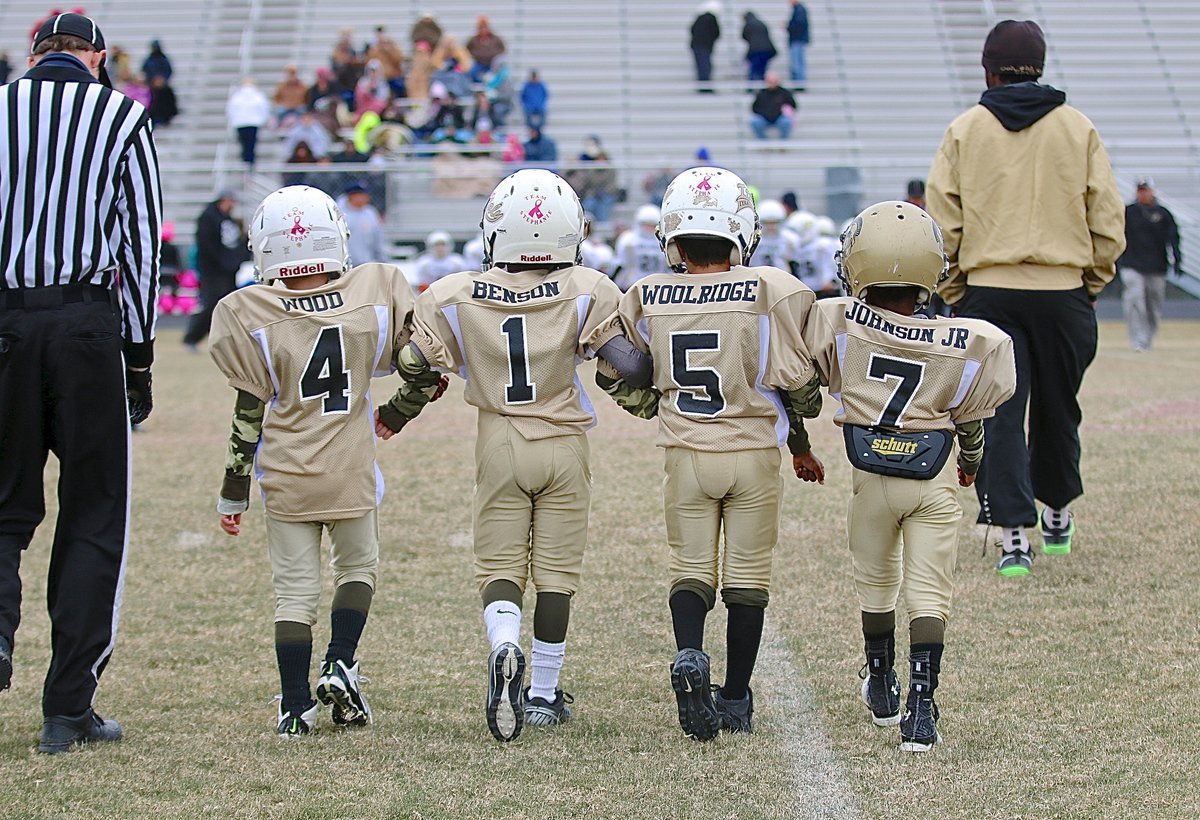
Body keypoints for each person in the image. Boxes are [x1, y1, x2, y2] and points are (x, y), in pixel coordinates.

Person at [373, 169, 645, 742]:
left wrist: (397, 411)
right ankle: (543, 693)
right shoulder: (590, 288)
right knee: (556, 576)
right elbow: (629, 364)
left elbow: (415, 363)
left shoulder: (454, 292)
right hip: (564, 441)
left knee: (500, 569)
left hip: (498, 439)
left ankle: (503, 647)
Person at [598, 167, 822, 740]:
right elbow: (799, 388)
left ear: (672, 235)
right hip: (752, 453)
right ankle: (738, 696)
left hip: (687, 451)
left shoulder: (648, 294)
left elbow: (613, 367)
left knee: (690, 569)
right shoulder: (774, 288)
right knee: (748, 577)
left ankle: (691, 655)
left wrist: (655, 405)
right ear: (740, 230)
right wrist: (800, 440)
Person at [208, 186, 431, 736]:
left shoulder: (248, 312)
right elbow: (424, 367)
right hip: (350, 464)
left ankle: (292, 708)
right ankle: (340, 662)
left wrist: (234, 491)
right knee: (357, 569)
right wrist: (397, 412)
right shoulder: (373, 293)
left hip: (286, 473)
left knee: (294, 593)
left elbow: (246, 419)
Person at [0, 11, 161, 754]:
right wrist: (138, 355)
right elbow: (139, 241)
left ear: (34, 57)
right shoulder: (120, 118)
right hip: (85, 327)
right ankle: (67, 709)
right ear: (97, 57)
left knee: (2, 507)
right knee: (93, 514)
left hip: (3, 323)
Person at [802, 201, 1016, 752]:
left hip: (870, 474)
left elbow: (804, 385)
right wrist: (970, 464)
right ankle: (922, 709)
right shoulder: (969, 340)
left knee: (876, 584)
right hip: (935, 475)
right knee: (929, 592)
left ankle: (880, 683)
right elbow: (970, 424)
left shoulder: (836, 320)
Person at [925, 19, 1125, 575]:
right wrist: (1091, 280)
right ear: (1041, 65)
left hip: (989, 293)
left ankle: (1014, 536)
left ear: (986, 69)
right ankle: (1057, 511)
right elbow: (1107, 216)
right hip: (1062, 291)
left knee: (999, 414)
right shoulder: (1077, 127)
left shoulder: (965, 129)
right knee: (1061, 409)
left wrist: (955, 289)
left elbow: (943, 221)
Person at [1118, 177, 1181, 352]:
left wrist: (1177, 259)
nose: (1143, 194)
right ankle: (1137, 339)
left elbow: (1173, 238)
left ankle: (1147, 338)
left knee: (1153, 305)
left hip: (1157, 266)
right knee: (1135, 300)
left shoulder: (1163, 214)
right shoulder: (1128, 213)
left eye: (1145, 190)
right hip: (1132, 264)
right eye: (1140, 190)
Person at [183, 190, 250, 350]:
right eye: (230, 201)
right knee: (214, 304)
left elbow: (233, 243)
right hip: (213, 271)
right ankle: (192, 337)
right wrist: (224, 262)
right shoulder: (209, 219)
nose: (232, 205)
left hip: (227, 271)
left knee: (232, 306)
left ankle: (233, 342)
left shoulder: (228, 219)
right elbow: (208, 246)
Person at [566, 136, 618, 224]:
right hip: (593, 195)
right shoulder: (591, 169)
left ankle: (602, 226)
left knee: (604, 204)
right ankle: (586, 227)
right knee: (589, 204)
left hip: (606, 195)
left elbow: (612, 186)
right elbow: (588, 184)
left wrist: (602, 192)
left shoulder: (611, 170)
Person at [613, 205, 666, 291]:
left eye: (653, 225)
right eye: (646, 225)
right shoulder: (628, 240)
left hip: (658, 287)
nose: (649, 229)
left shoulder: (664, 241)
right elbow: (621, 266)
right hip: (633, 286)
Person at [338, 182, 388, 266]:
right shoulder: (340, 214)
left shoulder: (370, 213)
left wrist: (383, 260)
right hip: (345, 265)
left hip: (366, 263)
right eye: (362, 195)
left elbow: (378, 239)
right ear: (352, 196)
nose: (366, 198)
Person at [227, 78, 270, 166]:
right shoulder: (258, 96)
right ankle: (249, 165)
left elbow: (230, 110)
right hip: (253, 123)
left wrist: (234, 120)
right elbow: (264, 109)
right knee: (251, 146)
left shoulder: (237, 96)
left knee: (244, 145)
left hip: (240, 123)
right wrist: (262, 120)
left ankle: (245, 164)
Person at [754, 199, 799, 274]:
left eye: (774, 223)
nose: (771, 227)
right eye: (767, 223)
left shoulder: (789, 239)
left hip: (782, 278)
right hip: (758, 277)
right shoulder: (755, 239)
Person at [750, 71, 796, 139]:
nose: (772, 83)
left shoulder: (785, 93)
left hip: (780, 118)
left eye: (774, 81)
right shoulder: (761, 93)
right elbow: (754, 108)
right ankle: (764, 143)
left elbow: (793, 105)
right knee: (755, 122)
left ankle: (783, 143)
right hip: (765, 118)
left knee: (786, 122)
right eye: (770, 81)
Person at [367, 25, 406, 98]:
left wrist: (389, 51)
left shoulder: (392, 46)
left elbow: (400, 59)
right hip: (379, 78)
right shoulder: (374, 48)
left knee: (400, 86)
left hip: (393, 77)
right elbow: (370, 62)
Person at [690, 2, 722, 93]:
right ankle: (705, 86)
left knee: (701, 65)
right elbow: (717, 32)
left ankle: (702, 85)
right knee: (705, 65)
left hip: (697, 45)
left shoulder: (699, 18)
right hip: (705, 45)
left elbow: (692, 29)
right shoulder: (712, 19)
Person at [466, 15, 506, 83]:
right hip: (478, 63)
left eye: (485, 27)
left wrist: (494, 56)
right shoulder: (473, 40)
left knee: (497, 74)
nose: (483, 29)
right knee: (472, 73)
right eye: (481, 27)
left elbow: (503, 50)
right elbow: (466, 51)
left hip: (492, 64)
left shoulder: (496, 39)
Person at [742, 11, 777, 83]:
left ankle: (751, 85)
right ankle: (761, 82)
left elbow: (744, 36)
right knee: (762, 68)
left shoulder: (748, 24)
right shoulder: (762, 23)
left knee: (754, 68)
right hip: (767, 50)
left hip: (755, 50)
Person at [272, 64, 309, 128]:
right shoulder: (281, 86)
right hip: (285, 107)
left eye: (293, 74)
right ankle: (279, 127)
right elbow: (276, 98)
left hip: (298, 107)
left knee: (304, 112)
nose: (292, 76)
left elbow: (306, 99)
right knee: (278, 112)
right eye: (290, 74)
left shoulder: (303, 86)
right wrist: (281, 104)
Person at [786, 1, 809, 90]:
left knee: (797, 63)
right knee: (798, 62)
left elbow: (799, 25)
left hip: (797, 39)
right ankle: (799, 83)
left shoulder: (799, 10)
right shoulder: (798, 9)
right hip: (798, 39)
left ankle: (799, 84)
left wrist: (789, 27)